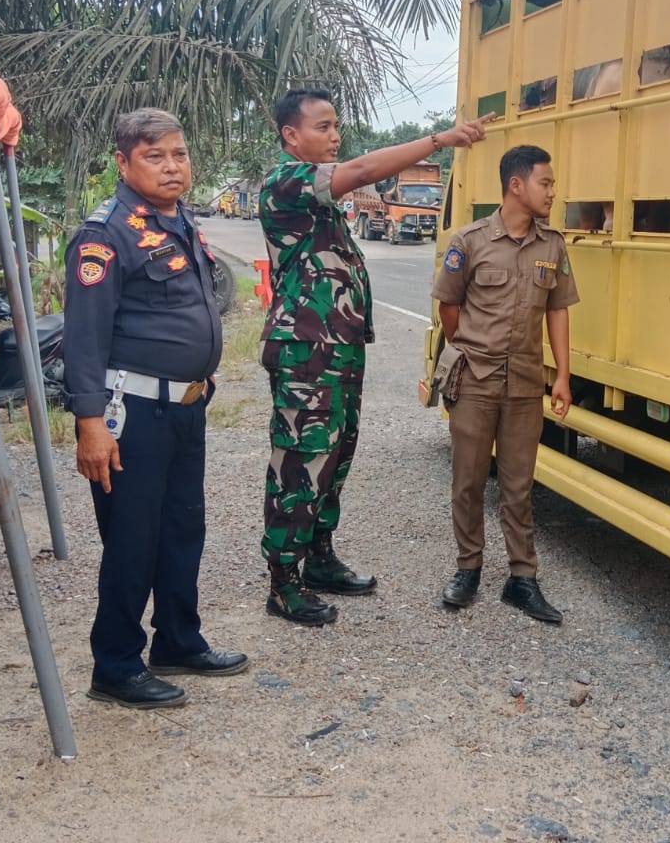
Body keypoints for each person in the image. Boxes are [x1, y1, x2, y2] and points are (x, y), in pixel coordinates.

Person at [259, 90, 494, 625]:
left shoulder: (319, 198)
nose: (334, 135)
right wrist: (442, 139)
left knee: (335, 454)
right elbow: (363, 170)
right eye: (323, 126)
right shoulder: (287, 180)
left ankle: (318, 557)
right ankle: (283, 581)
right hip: (306, 351)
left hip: (336, 349)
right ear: (290, 135)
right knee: (301, 459)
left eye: (336, 125)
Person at [63, 108, 246, 709]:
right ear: (122, 163)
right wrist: (91, 426)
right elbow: (85, 338)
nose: (172, 167)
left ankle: (177, 640)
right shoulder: (106, 234)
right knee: (131, 541)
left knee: (181, 531)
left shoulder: (178, 220)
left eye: (179, 154)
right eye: (154, 156)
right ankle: (115, 664)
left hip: (185, 409)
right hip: (131, 416)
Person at [433, 144, 578, 623]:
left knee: (519, 485)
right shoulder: (469, 241)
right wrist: (470, 350)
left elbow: (557, 311)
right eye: (546, 182)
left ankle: (522, 578)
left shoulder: (552, 246)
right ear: (516, 185)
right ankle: (467, 568)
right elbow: (449, 308)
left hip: (523, 386)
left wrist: (562, 376)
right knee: (469, 481)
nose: (552, 192)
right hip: (475, 382)